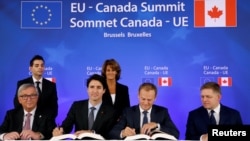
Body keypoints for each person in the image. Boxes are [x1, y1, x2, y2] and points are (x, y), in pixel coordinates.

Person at [52, 74, 117, 139]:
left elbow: (111, 133)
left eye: (99, 87)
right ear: (87, 89)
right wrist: (61, 131)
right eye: (92, 87)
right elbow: (67, 125)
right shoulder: (77, 106)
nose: (95, 91)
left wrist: (92, 133)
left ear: (104, 90)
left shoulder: (111, 111)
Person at [109, 82, 180, 139]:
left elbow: (176, 133)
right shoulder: (128, 112)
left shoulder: (162, 112)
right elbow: (113, 132)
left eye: (149, 100)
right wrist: (123, 132)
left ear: (155, 98)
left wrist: (157, 125)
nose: (146, 103)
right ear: (138, 96)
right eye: (143, 99)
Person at [13, 54, 58, 119]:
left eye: (42, 65)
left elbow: (54, 107)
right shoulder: (22, 83)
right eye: (37, 66)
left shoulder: (51, 85)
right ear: (31, 68)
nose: (40, 67)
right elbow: (17, 103)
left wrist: (45, 120)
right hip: (27, 119)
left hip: (46, 122)